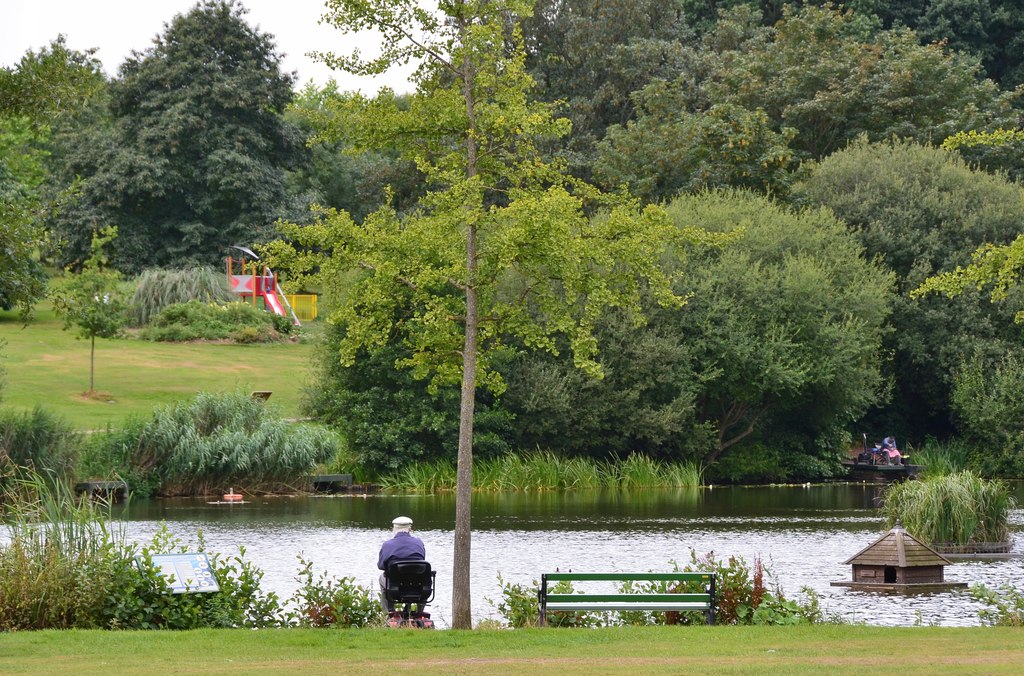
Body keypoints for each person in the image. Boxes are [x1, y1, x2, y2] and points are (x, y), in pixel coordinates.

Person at [377, 516, 426, 613]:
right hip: (417, 585)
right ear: (410, 529)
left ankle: (389, 612)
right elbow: (422, 561)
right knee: (424, 578)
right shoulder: (419, 543)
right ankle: (419, 612)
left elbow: (381, 566)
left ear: (394, 529)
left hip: (394, 586)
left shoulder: (387, 545)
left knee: (382, 578)